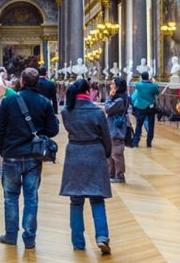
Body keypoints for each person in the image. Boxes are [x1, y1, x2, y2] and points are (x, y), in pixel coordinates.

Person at [0, 68, 59, 249]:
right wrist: (39, 133)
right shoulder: (44, 102)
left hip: (12, 155)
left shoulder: (8, 101)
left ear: (22, 81)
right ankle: (29, 238)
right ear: (37, 82)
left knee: (10, 198)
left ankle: (11, 235)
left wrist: (2, 150)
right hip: (33, 156)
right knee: (31, 198)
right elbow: (53, 130)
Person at [60, 79, 113, 254]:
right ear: (88, 91)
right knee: (97, 199)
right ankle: (102, 237)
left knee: (76, 201)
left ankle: (77, 241)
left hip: (74, 153)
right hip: (94, 152)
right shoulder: (97, 112)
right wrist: (105, 153)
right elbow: (106, 137)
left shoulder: (67, 111)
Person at [104, 77, 129, 183]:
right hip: (112, 129)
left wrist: (109, 97)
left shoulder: (119, 100)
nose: (110, 86)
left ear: (118, 87)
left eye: (112, 84)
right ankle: (111, 174)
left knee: (116, 153)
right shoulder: (119, 98)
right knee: (111, 153)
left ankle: (119, 176)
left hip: (116, 130)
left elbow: (108, 109)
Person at [130, 72, 159, 147]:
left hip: (140, 107)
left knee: (139, 124)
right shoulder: (153, 86)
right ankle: (149, 142)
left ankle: (136, 141)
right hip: (150, 107)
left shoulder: (138, 85)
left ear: (141, 77)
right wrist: (151, 83)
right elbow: (157, 92)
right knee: (151, 124)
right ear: (148, 77)